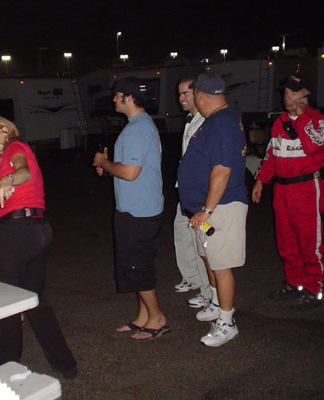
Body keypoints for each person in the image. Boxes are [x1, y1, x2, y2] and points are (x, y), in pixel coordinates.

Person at [0, 115, 77, 379]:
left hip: (18, 232)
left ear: (5, 130)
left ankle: (8, 371)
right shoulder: (2, 156)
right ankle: (65, 364)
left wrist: (7, 180)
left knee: (8, 302)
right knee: (35, 300)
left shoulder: (15, 148)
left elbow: (23, 171)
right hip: (36, 229)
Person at [93, 76, 169, 341]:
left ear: (130, 97)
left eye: (118, 95)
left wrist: (106, 162)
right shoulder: (140, 125)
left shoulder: (138, 129)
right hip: (137, 209)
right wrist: (109, 166)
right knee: (137, 265)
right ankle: (143, 317)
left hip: (139, 212)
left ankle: (157, 318)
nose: (114, 98)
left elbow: (129, 172)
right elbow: (128, 169)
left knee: (138, 267)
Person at [178, 71, 248, 347]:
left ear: (201, 96)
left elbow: (222, 171)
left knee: (221, 266)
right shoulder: (215, 121)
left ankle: (227, 322)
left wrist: (206, 210)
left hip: (221, 207)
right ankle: (218, 305)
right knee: (209, 259)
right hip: (206, 209)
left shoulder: (222, 124)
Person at [252, 74, 324, 310]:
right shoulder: (279, 122)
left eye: (293, 93)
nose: (287, 97)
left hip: (306, 189)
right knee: (286, 242)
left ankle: (313, 288)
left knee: (309, 242)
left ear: (305, 96)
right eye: (286, 93)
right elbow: (271, 155)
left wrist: (301, 118)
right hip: (282, 190)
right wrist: (260, 181)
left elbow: (314, 146)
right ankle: (293, 283)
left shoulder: (317, 120)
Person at [173, 77, 214, 311]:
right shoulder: (191, 121)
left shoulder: (206, 122)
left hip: (199, 196)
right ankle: (195, 279)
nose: (181, 99)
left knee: (203, 244)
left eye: (186, 93)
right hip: (185, 193)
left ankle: (209, 293)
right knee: (183, 235)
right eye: (179, 94)